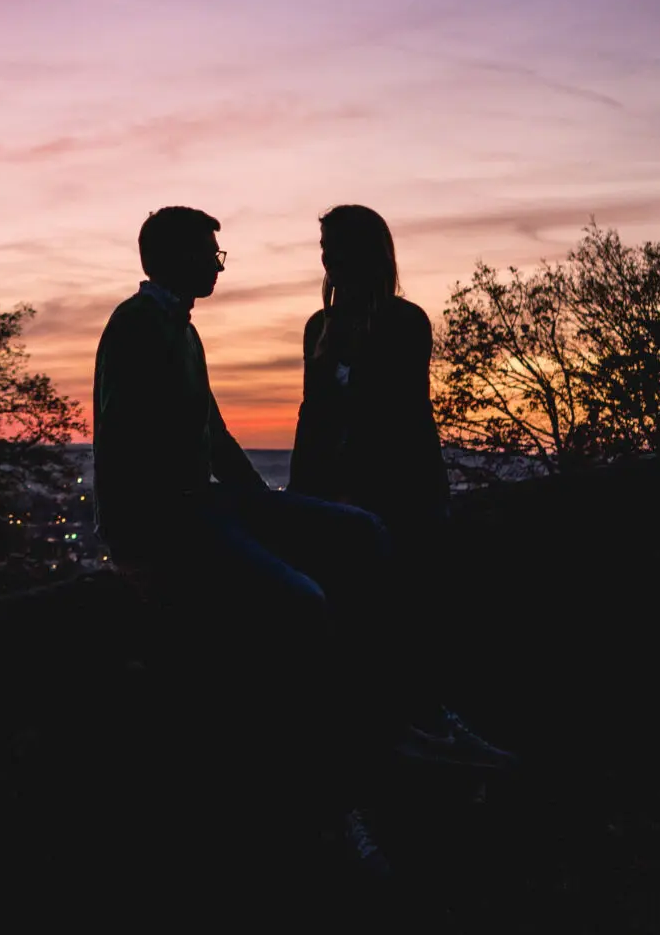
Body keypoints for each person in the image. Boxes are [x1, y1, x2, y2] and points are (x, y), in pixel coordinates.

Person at [92, 206, 505, 878]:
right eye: (209, 252)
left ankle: (406, 713)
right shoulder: (138, 325)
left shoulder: (179, 331)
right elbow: (131, 442)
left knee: (365, 535)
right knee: (303, 599)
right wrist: (141, 540)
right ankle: (338, 802)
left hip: (210, 504)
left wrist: (266, 501)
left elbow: (214, 435)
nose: (218, 263)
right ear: (174, 257)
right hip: (178, 520)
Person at [290, 202, 513, 766]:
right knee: (361, 623)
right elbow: (311, 419)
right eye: (323, 249)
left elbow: (397, 416)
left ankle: (430, 727)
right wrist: (302, 500)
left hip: (400, 495)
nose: (328, 259)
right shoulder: (319, 328)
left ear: (365, 253)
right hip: (338, 503)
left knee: (410, 618)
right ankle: (397, 732)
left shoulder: (404, 322)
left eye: (336, 247)